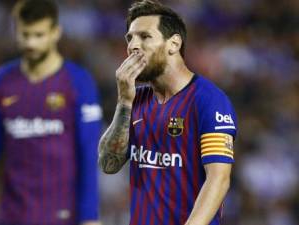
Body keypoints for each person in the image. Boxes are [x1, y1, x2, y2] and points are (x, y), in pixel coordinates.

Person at [0, 1, 102, 225]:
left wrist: (90, 215)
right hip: (12, 213)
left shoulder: (78, 81)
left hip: (62, 213)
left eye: (39, 35)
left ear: (56, 33)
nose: (31, 42)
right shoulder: (3, 80)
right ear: (16, 32)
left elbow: (88, 151)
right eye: (25, 34)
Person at [98, 0, 237, 225]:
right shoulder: (136, 98)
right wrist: (124, 102)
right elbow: (108, 165)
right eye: (129, 38)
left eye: (144, 36)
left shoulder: (209, 100)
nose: (133, 46)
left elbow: (218, 179)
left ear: (173, 44)